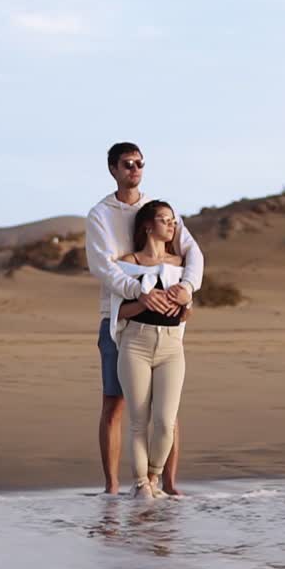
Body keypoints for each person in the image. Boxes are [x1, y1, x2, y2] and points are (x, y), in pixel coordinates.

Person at [85, 142, 203, 495]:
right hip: (119, 317)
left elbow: (192, 253)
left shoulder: (160, 211)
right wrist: (139, 292)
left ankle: (168, 483)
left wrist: (187, 287)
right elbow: (103, 266)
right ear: (113, 169)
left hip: (166, 325)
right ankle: (112, 487)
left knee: (167, 410)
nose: (135, 169)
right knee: (115, 402)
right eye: (127, 164)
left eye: (139, 163)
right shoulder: (100, 214)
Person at [110, 201, 190, 498]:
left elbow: (186, 314)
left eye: (173, 221)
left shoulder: (180, 265)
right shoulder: (127, 263)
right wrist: (144, 301)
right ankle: (141, 483)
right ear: (147, 225)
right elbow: (117, 312)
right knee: (138, 421)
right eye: (163, 219)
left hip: (172, 346)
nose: (171, 225)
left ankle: (154, 477)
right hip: (136, 343)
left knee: (166, 422)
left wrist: (183, 301)